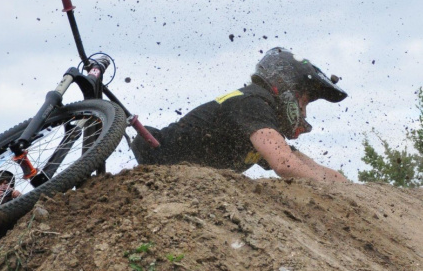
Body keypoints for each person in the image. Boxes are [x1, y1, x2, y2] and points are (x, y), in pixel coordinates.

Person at [131, 47, 349, 183]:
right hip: (159, 153)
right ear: (287, 85)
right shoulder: (253, 102)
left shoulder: (261, 118)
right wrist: (331, 185)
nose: (303, 112)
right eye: (305, 102)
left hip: (183, 174)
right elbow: (285, 163)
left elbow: (300, 161)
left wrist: (346, 186)